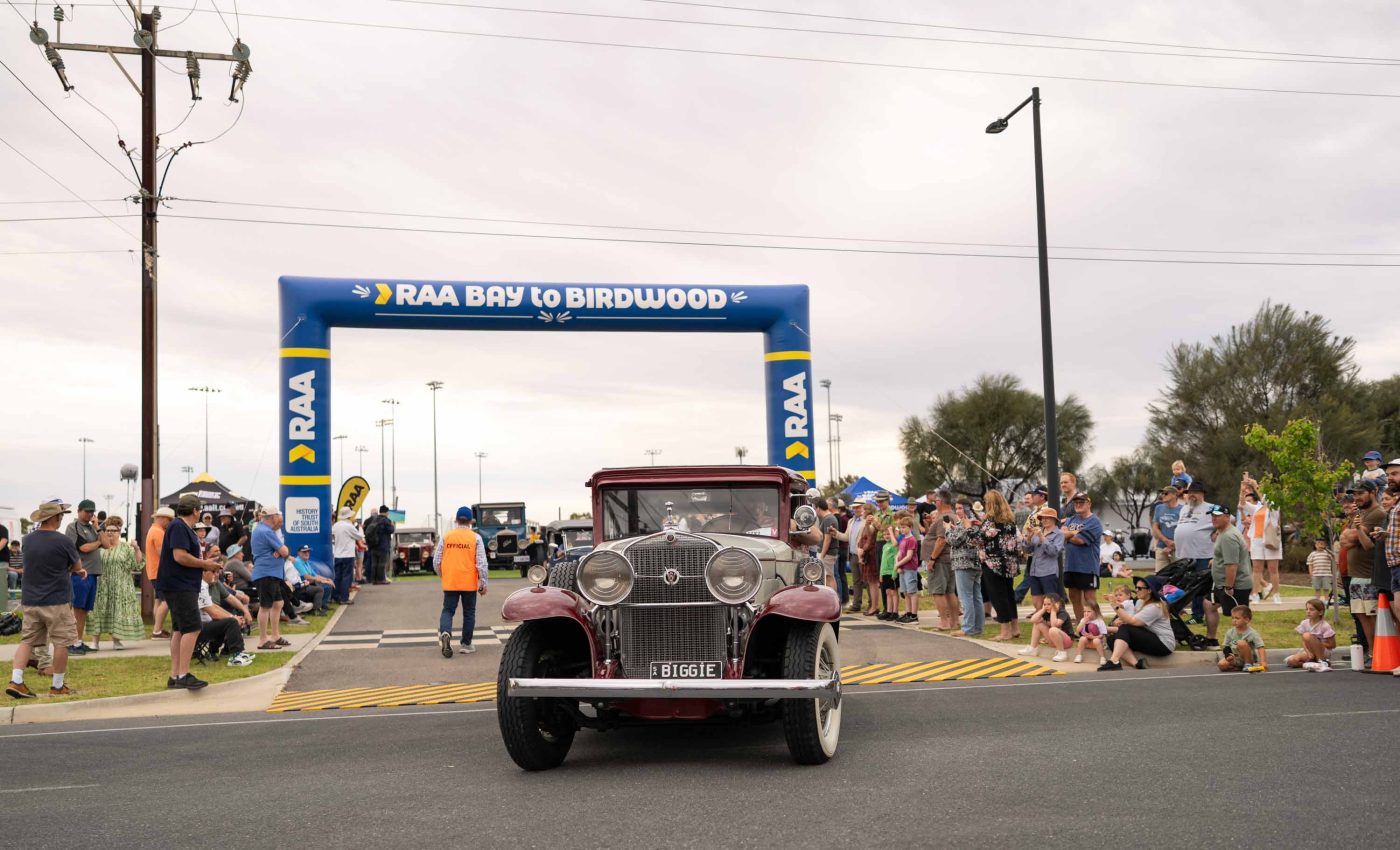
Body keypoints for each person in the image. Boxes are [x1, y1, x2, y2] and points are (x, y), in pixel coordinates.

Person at [6, 500, 85, 699]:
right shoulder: (63, 541)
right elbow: (77, 566)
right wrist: (74, 569)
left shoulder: (27, 540)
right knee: (61, 642)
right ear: (55, 517)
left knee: (27, 641)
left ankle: (16, 681)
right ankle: (57, 686)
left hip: (31, 600)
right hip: (56, 600)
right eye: (61, 515)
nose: (62, 518)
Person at [157, 493, 222, 690]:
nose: (200, 512)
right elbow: (179, 556)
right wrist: (205, 564)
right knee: (193, 628)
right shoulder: (179, 526)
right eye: (200, 509)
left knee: (179, 629)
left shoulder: (180, 527)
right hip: (180, 586)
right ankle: (184, 674)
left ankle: (175, 675)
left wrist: (204, 564)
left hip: (179, 585)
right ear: (195, 510)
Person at [433, 506, 488, 656]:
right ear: (471, 521)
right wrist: (483, 582)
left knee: (448, 610)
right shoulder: (475, 538)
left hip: (451, 581)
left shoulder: (447, 537)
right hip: (469, 582)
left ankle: (446, 632)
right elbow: (481, 563)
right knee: (469, 612)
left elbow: (436, 561)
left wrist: (443, 575)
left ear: (456, 520)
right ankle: (466, 644)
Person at [1340, 477, 1385, 655]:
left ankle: (1380, 652)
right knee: (1361, 615)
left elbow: (1352, 537)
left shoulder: (1377, 513)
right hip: (1355, 575)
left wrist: (1354, 536)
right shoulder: (1360, 514)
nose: (1356, 497)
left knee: (1372, 615)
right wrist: (1352, 537)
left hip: (1369, 574)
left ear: (1373, 492)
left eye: (1361, 493)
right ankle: (1372, 652)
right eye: (1355, 494)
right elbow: (1344, 539)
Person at [87, 517, 145, 650]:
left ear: (119, 532)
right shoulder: (100, 547)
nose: (110, 533)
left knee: (116, 611)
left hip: (120, 586)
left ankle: (116, 641)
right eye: (107, 530)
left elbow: (136, 565)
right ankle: (95, 642)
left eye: (113, 530)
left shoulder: (126, 547)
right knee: (98, 611)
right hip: (102, 585)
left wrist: (136, 549)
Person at [1098, 578, 1175, 670]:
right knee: (1112, 639)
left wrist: (1114, 604)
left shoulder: (1155, 607)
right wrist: (1118, 620)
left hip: (1164, 644)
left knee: (1125, 628)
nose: (1136, 590)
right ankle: (1137, 664)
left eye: (1140, 588)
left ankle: (1114, 661)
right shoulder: (1140, 602)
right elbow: (1130, 620)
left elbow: (1132, 622)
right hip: (1150, 637)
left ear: (1149, 590)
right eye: (1136, 587)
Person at [1204, 505, 1253, 649]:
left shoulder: (1228, 537)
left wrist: (1229, 586)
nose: (1214, 518)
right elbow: (1227, 555)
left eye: (1217, 516)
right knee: (1209, 605)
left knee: (1239, 617)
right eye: (1212, 515)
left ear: (1227, 517)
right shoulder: (1223, 532)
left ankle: (1245, 645)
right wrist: (1215, 560)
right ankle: (1211, 640)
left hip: (1235, 585)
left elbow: (1232, 565)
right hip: (1222, 583)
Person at [975, 491, 1020, 641]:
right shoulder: (1010, 521)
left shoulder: (990, 521)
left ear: (990, 504)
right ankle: (1015, 628)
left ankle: (1005, 631)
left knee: (997, 596)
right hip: (1009, 563)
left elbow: (976, 540)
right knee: (1009, 595)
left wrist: (969, 527)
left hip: (992, 563)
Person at [1173, 481, 1216, 624]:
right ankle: (1191, 612)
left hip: (1202, 553)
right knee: (1189, 585)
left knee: (1200, 586)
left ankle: (1199, 615)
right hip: (1185, 554)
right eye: (1190, 492)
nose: (1192, 495)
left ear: (1202, 494)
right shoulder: (1184, 508)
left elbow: (1229, 519)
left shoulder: (1211, 507)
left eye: (1195, 492)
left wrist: (1217, 532)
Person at [64, 499, 102, 655]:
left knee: (84, 610)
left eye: (92, 511)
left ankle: (78, 641)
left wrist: (98, 528)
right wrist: (98, 543)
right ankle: (71, 642)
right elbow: (84, 547)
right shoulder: (73, 527)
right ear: (79, 511)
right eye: (87, 511)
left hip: (93, 574)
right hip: (80, 573)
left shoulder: (93, 528)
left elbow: (106, 544)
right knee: (77, 609)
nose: (90, 514)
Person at [250, 506, 291, 652]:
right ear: (273, 517)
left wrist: (278, 551)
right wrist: (280, 551)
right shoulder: (266, 531)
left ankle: (275, 636)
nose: (279, 518)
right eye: (278, 516)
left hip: (270, 573)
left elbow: (281, 551)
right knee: (265, 606)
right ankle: (262, 640)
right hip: (266, 573)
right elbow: (285, 551)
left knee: (278, 603)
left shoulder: (260, 529)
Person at [196, 565, 255, 666]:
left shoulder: (205, 585)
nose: (216, 575)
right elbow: (214, 613)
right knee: (231, 622)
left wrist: (234, 616)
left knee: (230, 620)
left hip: (205, 623)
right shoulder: (201, 587)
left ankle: (218, 652)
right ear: (203, 573)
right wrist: (233, 618)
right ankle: (235, 656)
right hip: (197, 627)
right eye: (213, 572)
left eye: (217, 572)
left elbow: (215, 606)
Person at [1060, 493, 1102, 621]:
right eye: (1076, 503)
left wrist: (1067, 534)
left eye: (1081, 502)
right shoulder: (1071, 519)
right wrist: (1071, 533)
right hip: (1070, 565)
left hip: (1087, 566)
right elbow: (1061, 535)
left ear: (1089, 504)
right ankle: (1081, 625)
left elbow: (1080, 540)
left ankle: (1097, 625)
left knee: (1089, 599)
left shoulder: (1094, 521)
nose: (1078, 505)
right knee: (1074, 597)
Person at [923, 491, 959, 631]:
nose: (934, 503)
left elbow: (941, 540)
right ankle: (954, 622)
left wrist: (932, 558)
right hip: (949, 558)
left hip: (940, 560)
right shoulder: (953, 516)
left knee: (938, 592)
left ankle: (944, 622)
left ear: (941, 501)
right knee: (950, 592)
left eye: (936, 501)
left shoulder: (943, 517)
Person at [947, 504, 984, 637]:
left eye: (960, 508)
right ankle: (978, 627)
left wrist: (947, 530)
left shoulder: (965, 522)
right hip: (976, 563)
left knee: (966, 597)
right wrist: (954, 528)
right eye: (956, 508)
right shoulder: (976, 522)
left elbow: (954, 540)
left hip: (963, 563)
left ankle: (968, 628)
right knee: (976, 597)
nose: (957, 511)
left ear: (967, 509)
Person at [1021, 505, 1065, 612]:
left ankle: (1053, 620)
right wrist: (1028, 539)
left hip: (1048, 572)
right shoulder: (1037, 531)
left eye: (1047, 518)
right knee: (1036, 602)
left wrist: (1042, 537)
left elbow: (1053, 552)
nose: (1044, 520)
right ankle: (1041, 620)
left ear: (1054, 519)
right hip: (1034, 572)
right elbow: (1027, 550)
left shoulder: (1059, 534)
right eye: (1042, 518)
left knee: (1050, 602)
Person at [1247, 493, 1283, 603]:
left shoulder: (1274, 506)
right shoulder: (1257, 508)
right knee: (1256, 568)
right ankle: (1255, 594)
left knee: (1273, 568)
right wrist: (1242, 491)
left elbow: (1268, 501)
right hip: (1257, 540)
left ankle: (1276, 594)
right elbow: (1242, 505)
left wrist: (1256, 487)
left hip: (1270, 539)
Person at [145, 506, 174, 638]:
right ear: (163, 519)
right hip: (160, 572)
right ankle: (157, 630)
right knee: (167, 600)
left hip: (153, 571)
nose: (170, 523)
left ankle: (158, 628)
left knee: (158, 600)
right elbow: (162, 554)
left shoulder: (152, 530)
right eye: (169, 520)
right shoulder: (159, 532)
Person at [1020, 593, 1075, 662]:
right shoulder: (1046, 612)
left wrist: (1053, 611)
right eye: (1044, 604)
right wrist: (1043, 610)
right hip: (1053, 641)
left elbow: (1054, 625)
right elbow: (1033, 620)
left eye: (1049, 604)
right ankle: (1033, 648)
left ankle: (1061, 653)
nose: (1046, 606)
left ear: (1057, 604)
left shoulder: (1062, 613)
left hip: (1066, 642)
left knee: (1053, 629)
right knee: (1037, 624)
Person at [1287, 599, 1337, 671]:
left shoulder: (1325, 626)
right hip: (1309, 650)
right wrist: (1308, 652)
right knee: (1292, 661)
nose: (1308, 611)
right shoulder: (1304, 623)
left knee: (1307, 635)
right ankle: (1311, 664)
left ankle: (1321, 661)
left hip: (1323, 651)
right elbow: (1303, 641)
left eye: (1312, 609)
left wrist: (1316, 643)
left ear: (1320, 612)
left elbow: (1332, 645)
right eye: (1307, 609)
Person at [1216, 605, 1266, 672]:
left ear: (1246, 620)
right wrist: (1228, 655)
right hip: (1236, 657)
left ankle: (1248, 664)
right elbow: (1226, 647)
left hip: (1249, 658)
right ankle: (1240, 667)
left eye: (1237, 618)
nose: (1234, 620)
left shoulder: (1252, 633)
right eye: (1232, 618)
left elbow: (1260, 647)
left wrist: (1263, 662)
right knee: (1221, 664)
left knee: (1241, 643)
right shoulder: (1230, 632)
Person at [329, 507, 363, 606]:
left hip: (338, 554)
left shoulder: (336, 525)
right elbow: (359, 536)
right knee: (347, 577)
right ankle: (344, 598)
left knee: (337, 576)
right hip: (348, 554)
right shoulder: (349, 526)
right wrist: (359, 527)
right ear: (349, 516)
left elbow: (332, 534)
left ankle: (335, 596)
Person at [290, 545, 334, 615]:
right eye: (304, 552)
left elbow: (315, 575)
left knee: (318, 584)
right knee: (319, 589)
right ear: (299, 553)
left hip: (305, 584)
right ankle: (315, 610)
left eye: (308, 551)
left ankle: (320, 605)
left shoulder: (305, 562)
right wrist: (321, 580)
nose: (307, 553)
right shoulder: (297, 561)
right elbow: (306, 576)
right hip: (299, 587)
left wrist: (327, 579)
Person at [1150, 485, 1182, 572]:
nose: (1162, 495)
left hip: (1177, 548)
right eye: (1162, 493)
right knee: (1160, 574)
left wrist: (1172, 545)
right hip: (1161, 547)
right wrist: (1166, 541)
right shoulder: (1159, 508)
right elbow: (1155, 526)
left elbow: (1184, 530)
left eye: (1166, 493)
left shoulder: (1183, 509)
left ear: (1174, 495)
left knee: (1178, 574)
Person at [894, 515, 920, 624]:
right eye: (901, 527)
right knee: (905, 592)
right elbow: (899, 553)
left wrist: (898, 564)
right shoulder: (903, 539)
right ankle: (908, 612)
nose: (902, 529)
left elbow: (909, 556)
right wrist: (897, 564)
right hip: (903, 568)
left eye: (904, 527)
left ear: (910, 527)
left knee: (912, 592)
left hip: (910, 568)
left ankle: (914, 615)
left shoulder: (911, 540)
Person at [364, 505, 396, 585]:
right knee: (381, 563)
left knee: (374, 564)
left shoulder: (374, 520)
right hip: (383, 545)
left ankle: (374, 580)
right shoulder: (386, 520)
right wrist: (392, 525)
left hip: (373, 545)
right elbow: (391, 530)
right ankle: (381, 580)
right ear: (386, 512)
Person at [814, 499, 839, 592]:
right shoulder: (827, 518)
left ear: (818, 508)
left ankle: (832, 596)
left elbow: (827, 539)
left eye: (815, 509)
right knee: (827, 576)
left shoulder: (829, 519)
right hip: (826, 553)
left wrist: (822, 556)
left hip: (827, 553)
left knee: (828, 577)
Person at [1075, 600, 1109, 665]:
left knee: (1096, 640)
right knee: (1082, 638)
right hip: (1086, 643)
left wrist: (1093, 637)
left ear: (1095, 612)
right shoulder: (1083, 620)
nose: (1086, 613)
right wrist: (1083, 622)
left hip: (1097, 644)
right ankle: (1078, 655)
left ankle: (1102, 657)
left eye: (1089, 611)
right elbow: (1078, 630)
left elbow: (1102, 635)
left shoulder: (1099, 621)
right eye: (1084, 611)